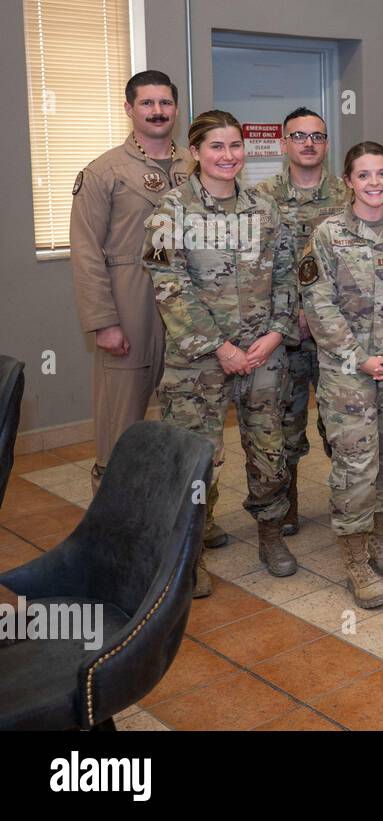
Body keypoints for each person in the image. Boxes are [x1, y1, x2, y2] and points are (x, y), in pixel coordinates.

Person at [143, 110, 298, 598]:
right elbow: (169, 286)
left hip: (263, 355)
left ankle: (270, 536)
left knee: (271, 449)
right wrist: (219, 346)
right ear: (195, 153)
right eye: (216, 147)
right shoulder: (171, 212)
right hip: (199, 360)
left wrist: (275, 333)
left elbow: (289, 275)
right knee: (196, 460)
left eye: (235, 146)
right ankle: (192, 551)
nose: (228, 156)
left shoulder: (264, 209)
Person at [300, 141, 383, 609]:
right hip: (347, 373)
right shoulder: (328, 234)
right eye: (364, 175)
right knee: (356, 463)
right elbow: (318, 303)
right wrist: (358, 356)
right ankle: (355, 557)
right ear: (348, 182)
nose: (374, 183)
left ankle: (380, 539)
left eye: (382, 174)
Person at [70, 70, 187, 496]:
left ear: (176, 107)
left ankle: (186, 508)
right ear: (129, 108)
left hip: (187, 304)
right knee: (121, 417)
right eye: (147, 103)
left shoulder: (196, 164)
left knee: (190, 410)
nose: (158, 111)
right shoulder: (104, 171)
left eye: (165, 103)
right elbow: (85, 251)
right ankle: (116, 509)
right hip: (130, 300)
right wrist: (103, 321)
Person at [254, 107, 350, 536]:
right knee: (284, 423)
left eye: (317, 136)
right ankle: (285, 503)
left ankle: (349, 503)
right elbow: (256, 268)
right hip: (284, 334)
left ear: (327, 144)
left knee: (343, 424)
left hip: (337, 334)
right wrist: (290, 316)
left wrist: (321, 316)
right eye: (299, 136)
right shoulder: (260, 199)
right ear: (283, 144)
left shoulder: (350, 194)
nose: (309, 143)